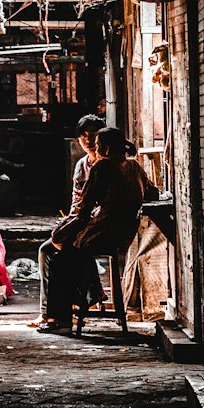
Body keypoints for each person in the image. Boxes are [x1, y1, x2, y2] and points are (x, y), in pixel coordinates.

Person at [40, 127, 161, 333]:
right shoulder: (134, 167)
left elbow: (84, 206)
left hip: (102, 233)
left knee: (60, 256)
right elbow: (153, 193)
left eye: (96, 146)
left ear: (103, 148)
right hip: (123, 234)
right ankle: (90, 295)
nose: (95, 150)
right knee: (68, 253)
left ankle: (60, 319)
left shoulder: (103, 166)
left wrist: (64, 228)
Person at [30, 114, 106, 327]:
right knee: (46, 250)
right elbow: (76, 201)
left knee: (65, 255)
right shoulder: (82, 164)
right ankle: (46, 312)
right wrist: (69, 223)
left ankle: (66, 310)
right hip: (80, 221)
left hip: (98, 224)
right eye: (84, 135)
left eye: (93, 135)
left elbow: (103, 203)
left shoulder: (106, 165)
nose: (88, 140)